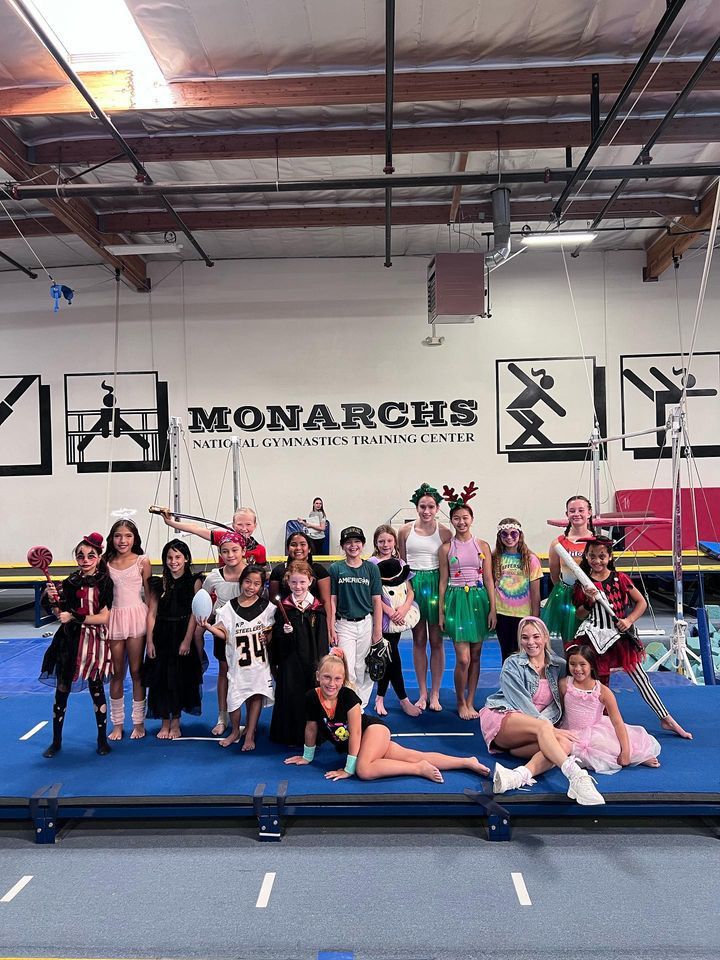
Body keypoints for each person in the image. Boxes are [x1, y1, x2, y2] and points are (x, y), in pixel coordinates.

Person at [284, 650, 490, 783]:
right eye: (326, 677)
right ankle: (466, 761)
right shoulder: (312, 697)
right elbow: (311, 727)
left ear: (343, 679)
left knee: (363, 770)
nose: (331, 683)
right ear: (318, 676)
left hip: (373, 732)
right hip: (365, 743)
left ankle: (417, 770)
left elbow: (355, 732)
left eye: (337, 678)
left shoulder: (349, 697)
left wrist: (349, 768)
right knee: (414, 754)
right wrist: (307, 756)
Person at [572, 536, 692, 739]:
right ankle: (603, 723)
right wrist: (590, 602)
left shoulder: (620, 579)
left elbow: (641, 603)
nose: (597, 560)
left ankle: (665, 717)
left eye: (602, 556)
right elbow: (579, 614)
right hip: (594, 637)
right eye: (592, 556)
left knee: (641, 678)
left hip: (620, 637)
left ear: (609, 557)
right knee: (601, 683)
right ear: (586, 556)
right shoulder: (583, 584)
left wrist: (628, 621)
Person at [478, 616, 606, 805]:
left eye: (536, 636)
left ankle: (516, 777)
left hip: (532, 732)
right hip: (506, 715)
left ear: (545, 637)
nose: (530, 642)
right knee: (546, 729)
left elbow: (568, 695)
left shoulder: (560, 665)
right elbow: (520, 702)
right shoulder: (512, 664)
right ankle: (577, 777)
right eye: (525, 637)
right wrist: (550, 729)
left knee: (564, 744)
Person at [39, 532, 113, 758]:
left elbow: (104, 617)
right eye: (80, 555)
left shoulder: (106, 582)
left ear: (99, 557)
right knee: (62, 690)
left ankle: (102, 739)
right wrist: (52, 599)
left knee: (96, 688)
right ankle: (56, 740)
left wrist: (74, 617)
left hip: (94, 643)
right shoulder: (69, 582)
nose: (86, 559)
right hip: (69, 642)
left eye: (91, 555)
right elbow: (58, 612)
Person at [201, 565, 275, 751]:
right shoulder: (228, 609)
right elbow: (224, 634)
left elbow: (272, 631)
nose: (251, 587)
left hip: (258, 664)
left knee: (256, 695)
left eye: (256, 584)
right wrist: (209, 628)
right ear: (241, 582)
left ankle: (250, 732)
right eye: (248, 582)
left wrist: (268, 637)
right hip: (237, 664)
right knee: (233, 699)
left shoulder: (267, 608)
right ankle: (235, 730)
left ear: (262, 586)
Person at [560, 643, 661, 773]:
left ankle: (636, 756)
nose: (577, 669)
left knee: (610, 748)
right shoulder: (564, 684)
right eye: (572, 664)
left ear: (591, 665)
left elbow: (617, 722)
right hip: (570, 731)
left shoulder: (603, 691)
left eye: (582, 664)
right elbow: (561, 710)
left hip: (595, 731)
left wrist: (626, 751)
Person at [438, 493, 495, 720]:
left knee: (476, 654)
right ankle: (460, 701)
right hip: (457, 600)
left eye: (465, 518)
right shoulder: (446, 548)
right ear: (451, 521)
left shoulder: (482, 545)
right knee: (463, 658)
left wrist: (492, 608)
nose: (461, 522)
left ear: (472, 519)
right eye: (456, 518)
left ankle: (471, 700)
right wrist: (441, 611)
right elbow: (443, 580)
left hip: (478, 600)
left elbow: (489, 578)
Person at [143, 539, 205, 739]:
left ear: (186, 558)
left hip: (182, 631)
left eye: (178, 557)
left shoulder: (195, 581)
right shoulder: (158, 583)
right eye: (169, 557)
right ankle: (164, 721)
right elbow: (152, 613)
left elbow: (195, 613)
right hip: (161, 633)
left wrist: (187, 640)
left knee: (179, 679)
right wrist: (150, 641)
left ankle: (176, 722)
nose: (173, 561)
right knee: (161, 679)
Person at [398, 483, 452, 711]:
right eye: (423, 506)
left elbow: (449, 563)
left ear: (438, 508)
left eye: (431, 506)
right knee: (419, 640)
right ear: (416, 507)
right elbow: (401, 563)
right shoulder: (404, 531)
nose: (427, 511)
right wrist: (406, 590)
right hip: (414, 586)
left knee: (437, 641)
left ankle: (436, 693)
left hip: (437, 584)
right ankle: (421, 692)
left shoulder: (445, 532)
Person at [268, 559, 329, 745]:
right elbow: (276, 641)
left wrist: (321, 663)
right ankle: (289, 735)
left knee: (311, 696)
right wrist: (283, 633)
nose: (298, 586)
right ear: (287, 582)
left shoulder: (317, 608)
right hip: (290, 661)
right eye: (293, 582)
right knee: (290, 696)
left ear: (310, 581)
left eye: (302, 582)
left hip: (312, 661)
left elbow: (322, 639)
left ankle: (312, 736)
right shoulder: (283, 608)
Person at [104, 519, 151, 741]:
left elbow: (150, 597)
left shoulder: (142, 561)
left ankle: (138, 723)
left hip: (136, 618)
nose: (123, 540)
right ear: (112, 539)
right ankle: (117, 723)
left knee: (136, 672)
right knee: (116, 674)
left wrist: (153, 630)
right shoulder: (105, 562)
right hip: (115, 617)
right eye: (118, 536)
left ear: (135, 538)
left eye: (128, 536)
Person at [329, 526, 383, 708]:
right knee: (347, 667)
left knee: (364, 667)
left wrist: (377, 631)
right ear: (343, 546)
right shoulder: (336, 568)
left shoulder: (371, 568)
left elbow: (377, 601)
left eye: (357, 542)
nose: (353, 546)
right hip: (344, 624)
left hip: (366, 622)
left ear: (363, 544)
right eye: (349, 542)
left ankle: (361, 704)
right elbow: (332, 600)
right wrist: (331, 626)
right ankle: (350, 704)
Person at [201, 532, 247, 736]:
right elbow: (203, 601)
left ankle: (245, 720)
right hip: (222, 632)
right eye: (225, 551)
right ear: (220, 553)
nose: (230, 555)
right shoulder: (213, 577)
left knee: (246, 675)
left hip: (247, 632)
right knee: (224, 672)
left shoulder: (251, 574)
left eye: (235, 550)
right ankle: (222, 716)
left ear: (243, 551)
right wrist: (207, 620)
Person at [542, 494, 596, 652]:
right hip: (568, 597)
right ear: (567, 514)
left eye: (581, 510)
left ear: (589, 513)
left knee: (591, 642)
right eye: (572, 510)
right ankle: (572, 675)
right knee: (571, 642)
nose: (576, 514)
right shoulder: (558, 543)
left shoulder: (598, 541)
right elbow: (554, 574)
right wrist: (566, 591)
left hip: (591, 595)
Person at [492, 518, 543, 662]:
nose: (509, 538)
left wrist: (535, 617)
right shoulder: (495, 558)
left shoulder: (530, 559)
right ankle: (509, 683)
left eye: (513, 534)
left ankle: (526, 683)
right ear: (499, 537)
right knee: (507, 654)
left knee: (525, 654)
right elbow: (491, 585)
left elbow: (535, 592)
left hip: (523, 614)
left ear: (520, 535)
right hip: (502, 613)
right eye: (505, 534)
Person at [269, 532, 332, 634]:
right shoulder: (278, 571)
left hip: (313, 624)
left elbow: (326, 602)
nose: (298, 548)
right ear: (288, 548)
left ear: (309, 548)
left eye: (303, 544)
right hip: (285, 624)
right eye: (293, 545)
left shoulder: (319, 570)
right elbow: (273, 602)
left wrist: (329, 629)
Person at [161, 506, 267, 566]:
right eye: (240, 524)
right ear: (233, 525)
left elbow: (261, 575)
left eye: (248, 524)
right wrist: (170, 522)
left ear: (255, 526)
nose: (244, 528)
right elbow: (195, 528)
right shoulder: (223, 538)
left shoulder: (260, 549)